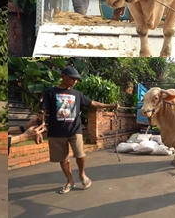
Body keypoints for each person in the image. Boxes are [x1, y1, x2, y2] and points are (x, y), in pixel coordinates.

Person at [40, 66, 119, 194]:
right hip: (56, 131)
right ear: (63, 76)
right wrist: (40, 124)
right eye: (72, 78)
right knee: (63, 158)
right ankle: (70, 181)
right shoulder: (50, 92)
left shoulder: (77, 94)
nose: (75, 81)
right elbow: (42, 110)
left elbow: (93, 104)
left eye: (76, 79)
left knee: (80, 154)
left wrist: (112, 106)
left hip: (74, 130)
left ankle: (82, 174)